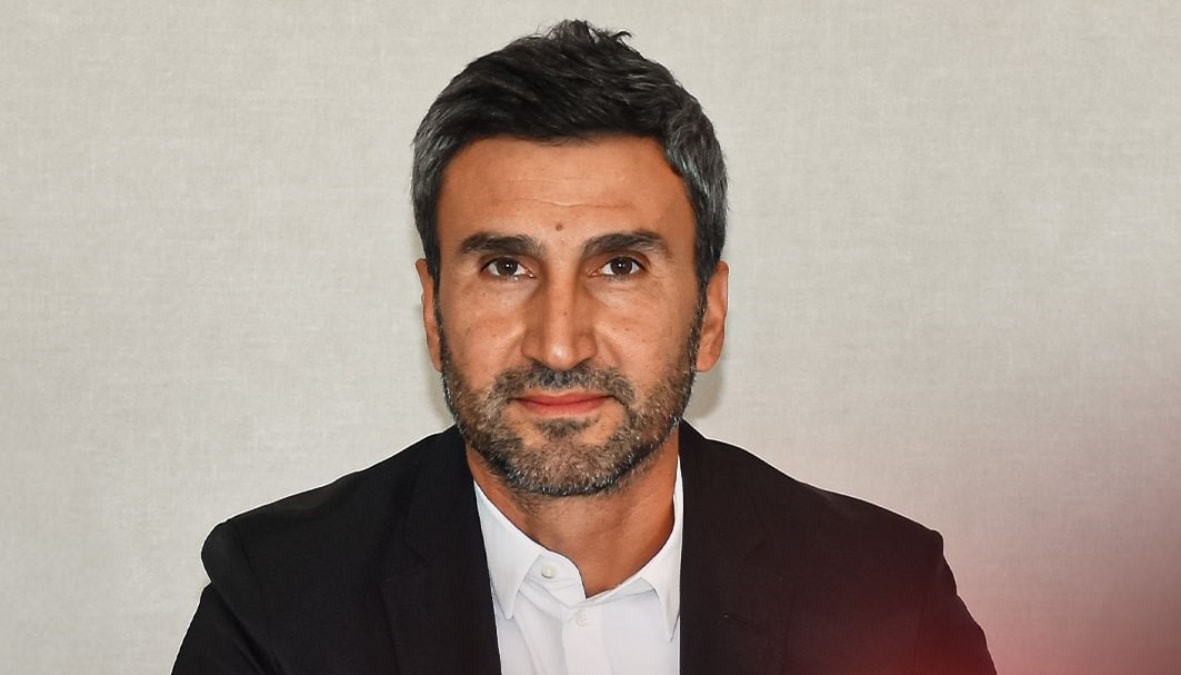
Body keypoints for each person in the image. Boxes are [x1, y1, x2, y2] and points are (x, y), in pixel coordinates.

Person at [173, 19, 995, 675]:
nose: (560, 343)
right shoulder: (278, 604)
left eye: (620, 265)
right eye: (505, 266)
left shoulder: (889, 599)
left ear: (710, 313)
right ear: (432, 310)